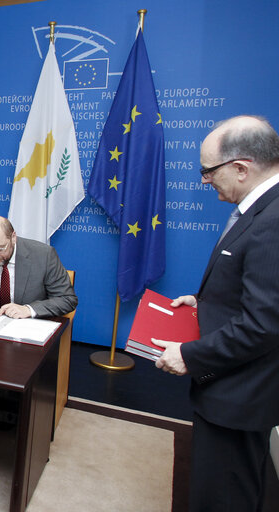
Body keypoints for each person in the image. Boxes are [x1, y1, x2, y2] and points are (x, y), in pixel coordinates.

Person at [152, 115, 279, 512]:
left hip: (241, 394)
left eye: (208, 171)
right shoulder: (261, 211)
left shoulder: (272, 222)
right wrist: (205, 304)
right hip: (239, 388)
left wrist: (189, 355)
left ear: (241, 168)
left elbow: (263, 325)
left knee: (222, 496)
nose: (205, 181)